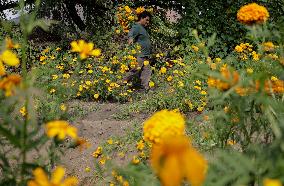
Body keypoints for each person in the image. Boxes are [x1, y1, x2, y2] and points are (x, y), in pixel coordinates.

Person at [124, 11, 152, 91]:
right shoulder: (137, 26)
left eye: (148, 20)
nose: (148, 22)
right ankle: (120, 83)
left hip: (145, 55)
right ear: (141, 18)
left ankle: (145, 89)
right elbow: (131, 34)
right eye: (146, 20)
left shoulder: (143, 28)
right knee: (134, 71)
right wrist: (130, 40)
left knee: (147, 72)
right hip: (140, 55)